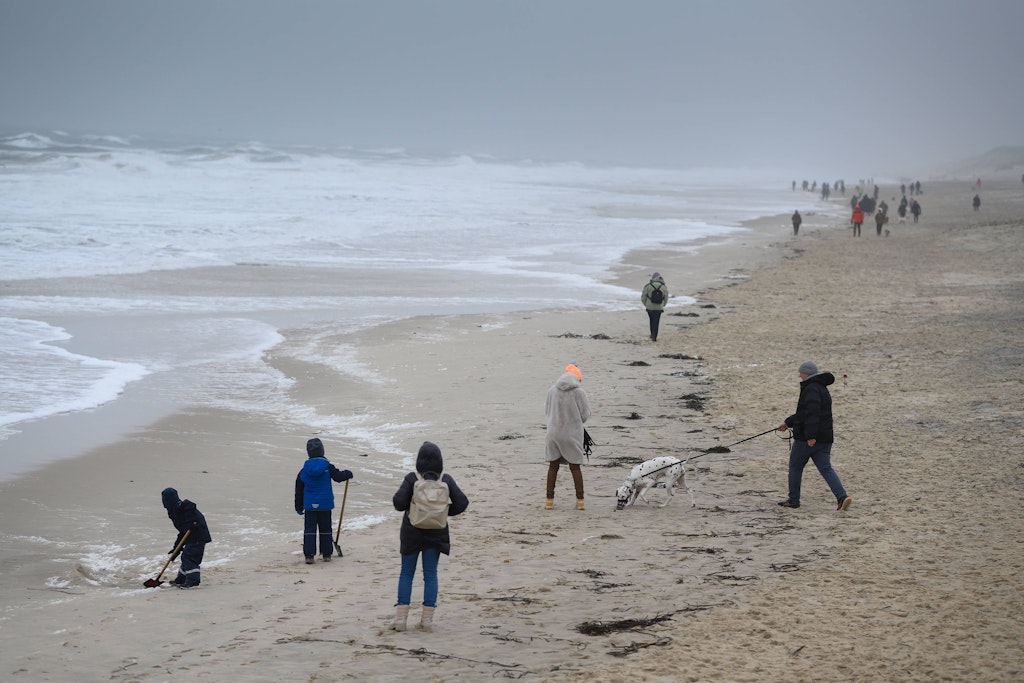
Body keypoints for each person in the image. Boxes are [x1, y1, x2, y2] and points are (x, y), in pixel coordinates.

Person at [391, 441, 469, 632]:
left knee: (406, 574)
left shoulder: (412, 479)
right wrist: (442, 512)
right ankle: (427, 621)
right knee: (431, 575)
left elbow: (398, 503)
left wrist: (416, 507)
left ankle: (401, 620)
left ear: (418, 461)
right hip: (436, 533)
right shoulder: (446, 480)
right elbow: (462, 503)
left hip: (411, 532)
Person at [776, 361, 852, 511]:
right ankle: (842, 497)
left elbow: (812, 415)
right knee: (826, 468)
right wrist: (787, 423)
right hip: (825, 438)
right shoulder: (820, 387)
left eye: (801, 373)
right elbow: (804, 413)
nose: (799, 375)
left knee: (795, 466)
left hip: (808, 439)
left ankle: (793, 500)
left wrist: (810, 436)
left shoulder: (811, 389)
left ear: (807, 373)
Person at [294, 437, 353, 564]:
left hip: (310, 505)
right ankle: (326, 554)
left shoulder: (304, 471)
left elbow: (299, 489)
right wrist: (348, 473)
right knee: (325, 528)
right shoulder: (327, 467)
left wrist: (298, 507)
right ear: (322, 451)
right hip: (325, 504)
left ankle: (309, 555)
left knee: (309, 530)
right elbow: (338, 477)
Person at [545, 364, 591, 510]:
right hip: (571, 433)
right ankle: (580, 501)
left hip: (553, 432)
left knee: (553, 466)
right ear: (577, 378)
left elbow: (547, 411)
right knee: (575, 467)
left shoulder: (551, 390)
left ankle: (549, 501)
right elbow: (585, 415)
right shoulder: (579, 392)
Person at [161, 487, 212, 588]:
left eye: (165, 500)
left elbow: (190, 505)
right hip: (190, 535)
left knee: (189, 557)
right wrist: (176, 548)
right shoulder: (173, 511)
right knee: (185, 556)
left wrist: (191, 521)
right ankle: (182, 578)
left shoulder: (182, 507)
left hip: (198, 535)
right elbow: (182, 531)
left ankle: (193, 581)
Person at [640, 272, 668, 341]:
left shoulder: (648, 286)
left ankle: (652, 334)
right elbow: (666, 298)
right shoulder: (663, 287)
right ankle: (654, 336)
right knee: (656, 321)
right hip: (659, 307)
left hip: (650, 307)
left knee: (651, 320)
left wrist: (646, 304)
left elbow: (643, 297)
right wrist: (663, 305)